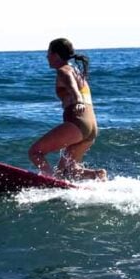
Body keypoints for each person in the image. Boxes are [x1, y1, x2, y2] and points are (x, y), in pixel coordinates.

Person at [28, 38, 106, 181]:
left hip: (78, 122)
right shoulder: (77, 72)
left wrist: (77, 100)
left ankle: (49, 181)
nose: (47, 57)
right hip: (91, 125)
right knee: (69, 170)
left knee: (35, 152)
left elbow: (72, 87)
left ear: (56, 55)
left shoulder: (63, 70)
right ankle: (97, 175)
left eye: (48, 53)